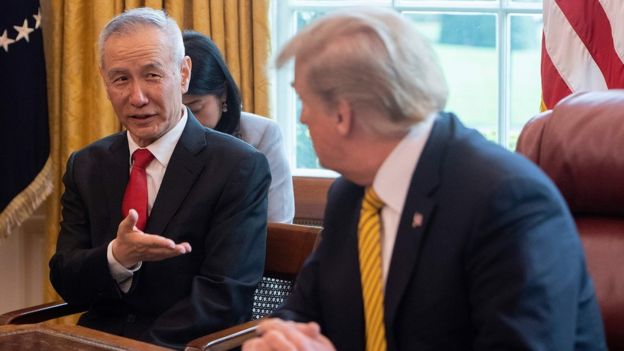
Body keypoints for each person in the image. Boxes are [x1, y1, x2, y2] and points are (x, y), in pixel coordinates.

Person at [243, 7, 607, 351]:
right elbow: (303, 313)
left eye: (303, 101)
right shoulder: (351, 195)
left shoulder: (506, 202)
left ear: (342, 114)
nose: (303, 118)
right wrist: (280, 337)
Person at [49, 7, 271, 350]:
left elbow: (222, 298)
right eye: (121, 79)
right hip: (94, 342)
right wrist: (115, 257)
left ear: (183, 75)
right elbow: (66, 276)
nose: (136, 98)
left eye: (152, 75)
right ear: (105, 82)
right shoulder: (87, 165)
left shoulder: (238, 167)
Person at [182, 30, 294, 223]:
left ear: (223, 94)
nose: (186, 121)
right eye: (178, 111)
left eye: (195, 108)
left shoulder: (261, 135)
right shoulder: (163, 134)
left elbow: (279, 224)